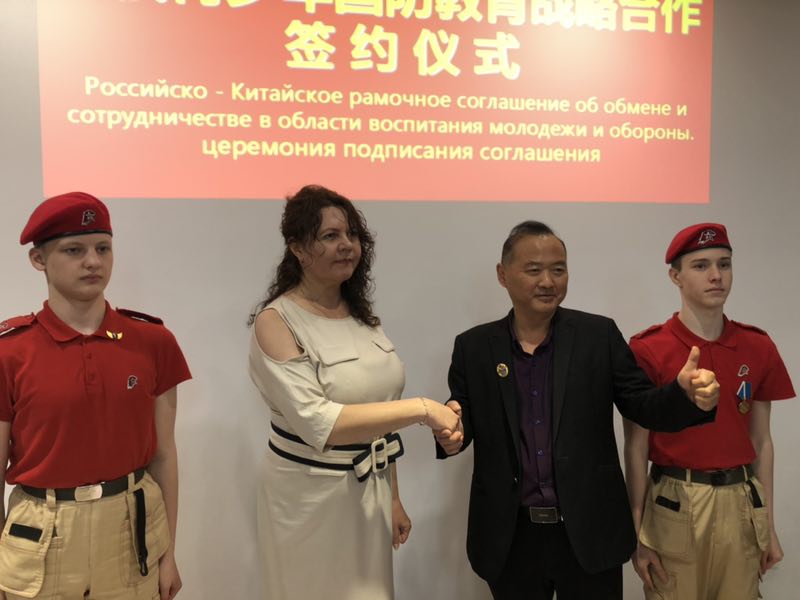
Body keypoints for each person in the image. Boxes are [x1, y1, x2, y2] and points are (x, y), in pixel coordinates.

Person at [433, 221, 720, 600]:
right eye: (533, 270)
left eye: (558, 269)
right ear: (503, 275)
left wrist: (684, 396)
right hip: (511, 539)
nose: (548, 281)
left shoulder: (597, 336)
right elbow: (460, 421)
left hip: (589, 534)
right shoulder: (474, 348)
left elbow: (642, 405)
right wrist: (450, 433)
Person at [247, 184, 459, 600]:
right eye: (330, 236)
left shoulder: (360, 316)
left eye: (352, 234)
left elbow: (378, 414)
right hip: (309, 501)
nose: (346, 245)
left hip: (370, 492)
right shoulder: (276, 321)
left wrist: (393, 497)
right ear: (298, 248)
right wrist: (423, 409)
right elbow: (320, 423)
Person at [0, 192, 191, 600]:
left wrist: (169, 554)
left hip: (132, 536)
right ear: (38, 259)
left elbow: (164, 455)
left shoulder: (153, 342)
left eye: (103, 248)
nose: (93, 261)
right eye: (74, 250)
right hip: (41, 539)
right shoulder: (9, 352)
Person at [623, 223, 795, 600]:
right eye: (700, 266)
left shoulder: (757, 346)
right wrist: (638, 535)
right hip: (674, 504)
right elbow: (636, 447)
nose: (716, 275)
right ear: (676, 276)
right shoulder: (649, 348)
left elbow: (761, 441)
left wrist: (768, 525)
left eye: (724, 264)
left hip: (740, 503)